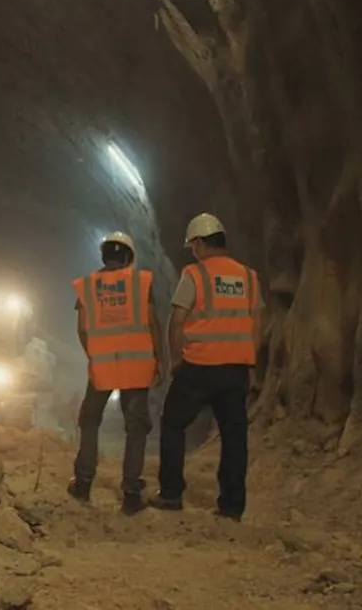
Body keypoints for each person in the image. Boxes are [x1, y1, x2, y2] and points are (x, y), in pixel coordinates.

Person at [152, 213, 262, 520]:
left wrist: (177, 360)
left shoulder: (194, 275)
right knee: (234, 437)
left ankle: (171, 494)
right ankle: (231, 507)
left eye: (193, 246)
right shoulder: (248, 277)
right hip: (235, 369)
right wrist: (250, 362)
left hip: (199, 366)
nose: (192, 252)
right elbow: (258, 322)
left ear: (200, 243)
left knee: (173, 424)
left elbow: (177, 321)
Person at [67, 231, 162, 515]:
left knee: (89, 420)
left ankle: (83, 483)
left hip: (102, 368)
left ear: (104, 255)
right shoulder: (141, 283)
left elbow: (83, 328)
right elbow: (152, 323)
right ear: (129, 257)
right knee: (135, 429)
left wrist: (94, 356)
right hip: (137, 367)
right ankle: (131, 494)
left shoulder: (88, 286)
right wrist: (159, 359)